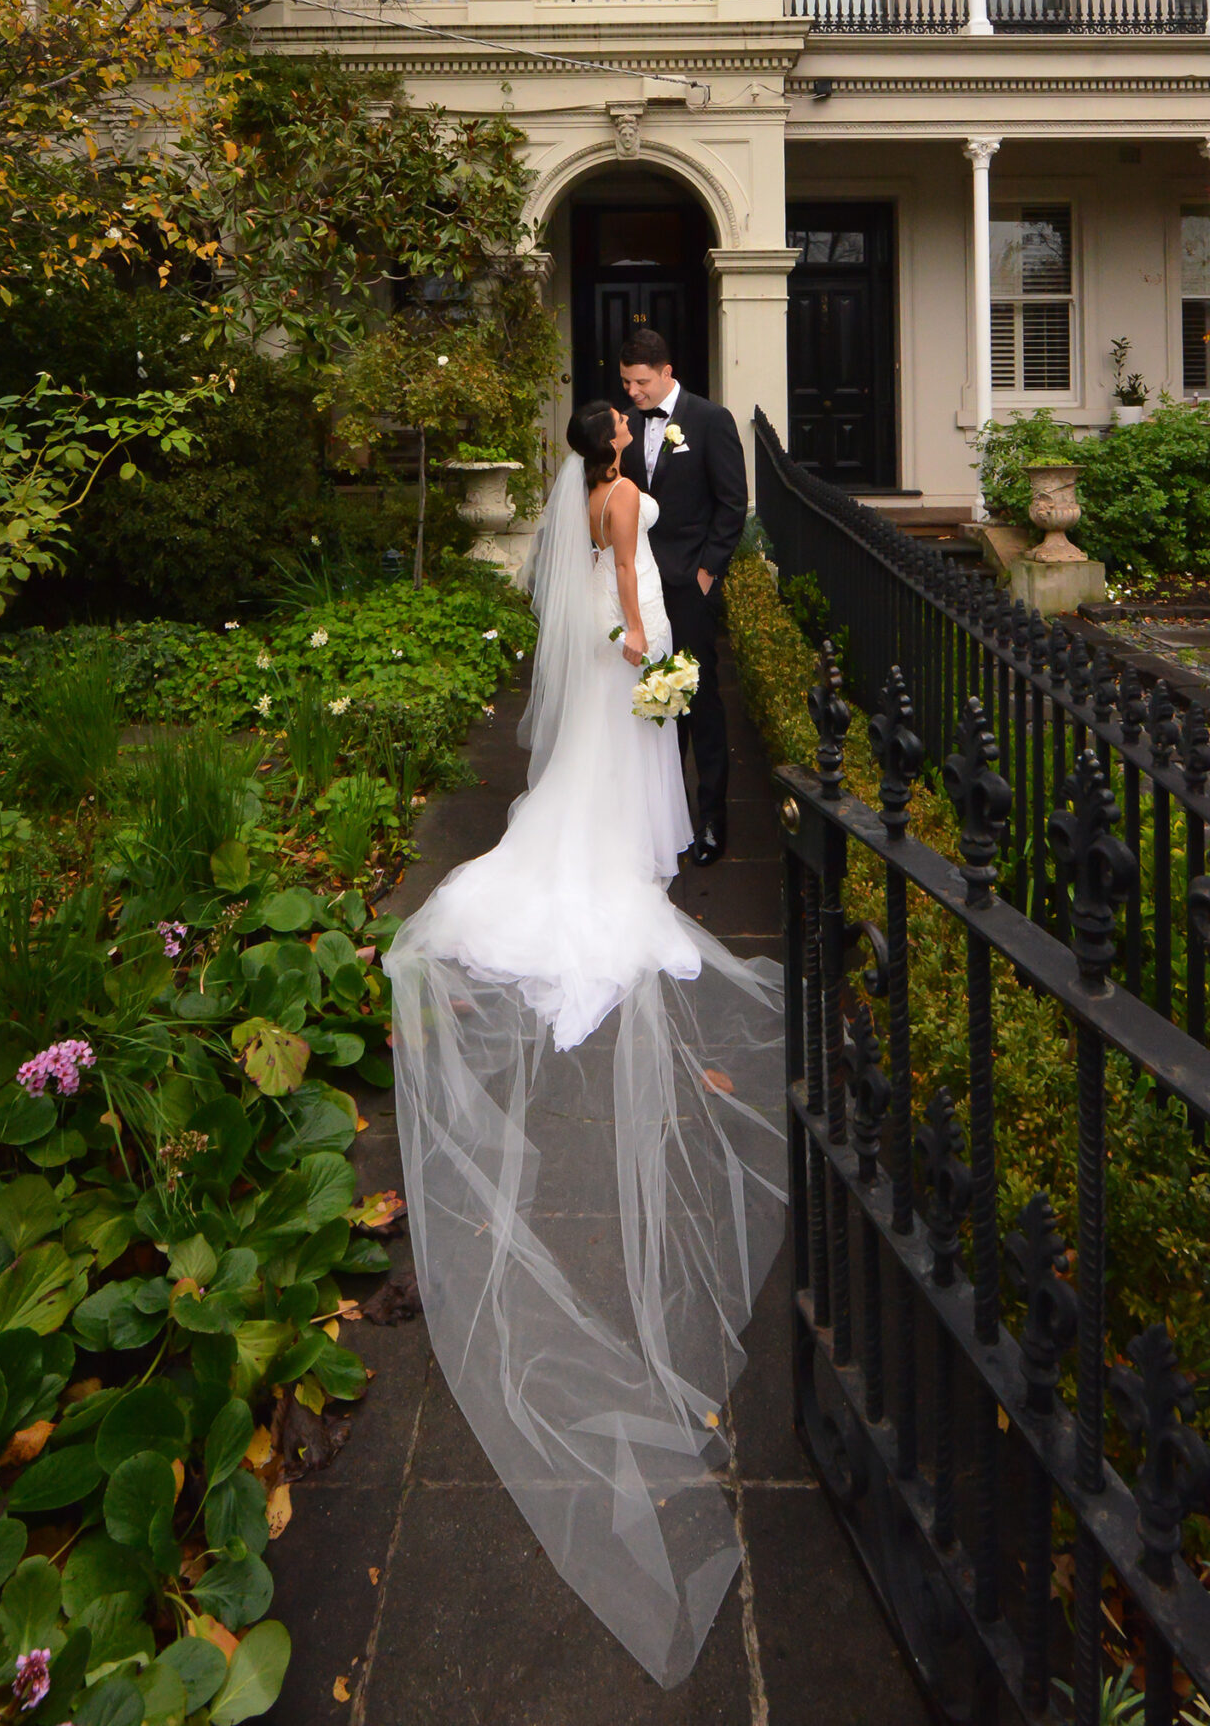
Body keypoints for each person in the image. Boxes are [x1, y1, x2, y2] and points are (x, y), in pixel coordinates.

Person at [383, 403, 786, 1688]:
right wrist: (647, 645)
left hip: (615, 644)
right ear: (611, 448)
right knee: (620, 804)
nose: (626, 421)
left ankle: (605, 860)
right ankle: (612, 874)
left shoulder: (595, 488)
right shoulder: (617, 505)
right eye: (619, 419)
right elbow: (625, 578)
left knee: (595, 795)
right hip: (634, 641)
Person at [618, 329, 748, 866]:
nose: (633, 393)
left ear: (667, 371)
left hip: (688, 585)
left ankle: (712, 818)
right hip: (641, 586)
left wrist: (705, 574)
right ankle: (660, 817)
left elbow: (732, 503)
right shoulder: (622, 427)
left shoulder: (710, 420)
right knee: (647, 701)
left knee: (700, 702)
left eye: (641, 382)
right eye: (626, 382)